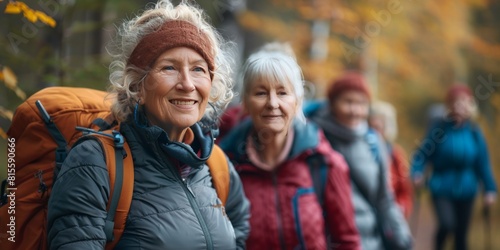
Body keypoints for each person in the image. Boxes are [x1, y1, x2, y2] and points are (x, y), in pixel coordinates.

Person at [47, 1, 250, 249]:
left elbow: (239, 233)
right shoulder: (95, 163)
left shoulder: (215, 164)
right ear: (137, 86)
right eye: (169, 68)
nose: (187, 84)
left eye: (198, 69)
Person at [220, 44, 361, 250]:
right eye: (260, 93)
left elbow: (347, 242)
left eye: (282, 93)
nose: (273, 103)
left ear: (297, 102)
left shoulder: (324, 164)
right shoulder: (224, 167)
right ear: (245, 104)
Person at [307, 71, 412, 250]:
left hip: (370, 241)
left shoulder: (373, 141)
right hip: (328, 241)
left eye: (361, 103)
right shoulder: (313, 138)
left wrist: (403, 237)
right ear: (332, 103)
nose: (355, 110)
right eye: (348, 102)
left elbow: (384, 198)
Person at [411, 84, 497, 250]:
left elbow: (482, 164)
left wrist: (490, 189)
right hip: (441, 186)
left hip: (468, 189)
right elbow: (421, 155)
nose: (459, 106)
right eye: (455, 102)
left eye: (464, 102)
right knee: (447, 224)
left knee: (461, 235)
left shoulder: (474, 131)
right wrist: (417, 172)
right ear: (448, 105)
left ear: (470, 105)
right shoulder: (439, 129)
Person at [368, 101, 413, 219]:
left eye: (379, 126)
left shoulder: (395, 154)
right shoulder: (360, 151)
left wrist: (401, 209)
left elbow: (404, 191)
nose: (374, 132)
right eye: (371, 126)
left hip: (390, 215)